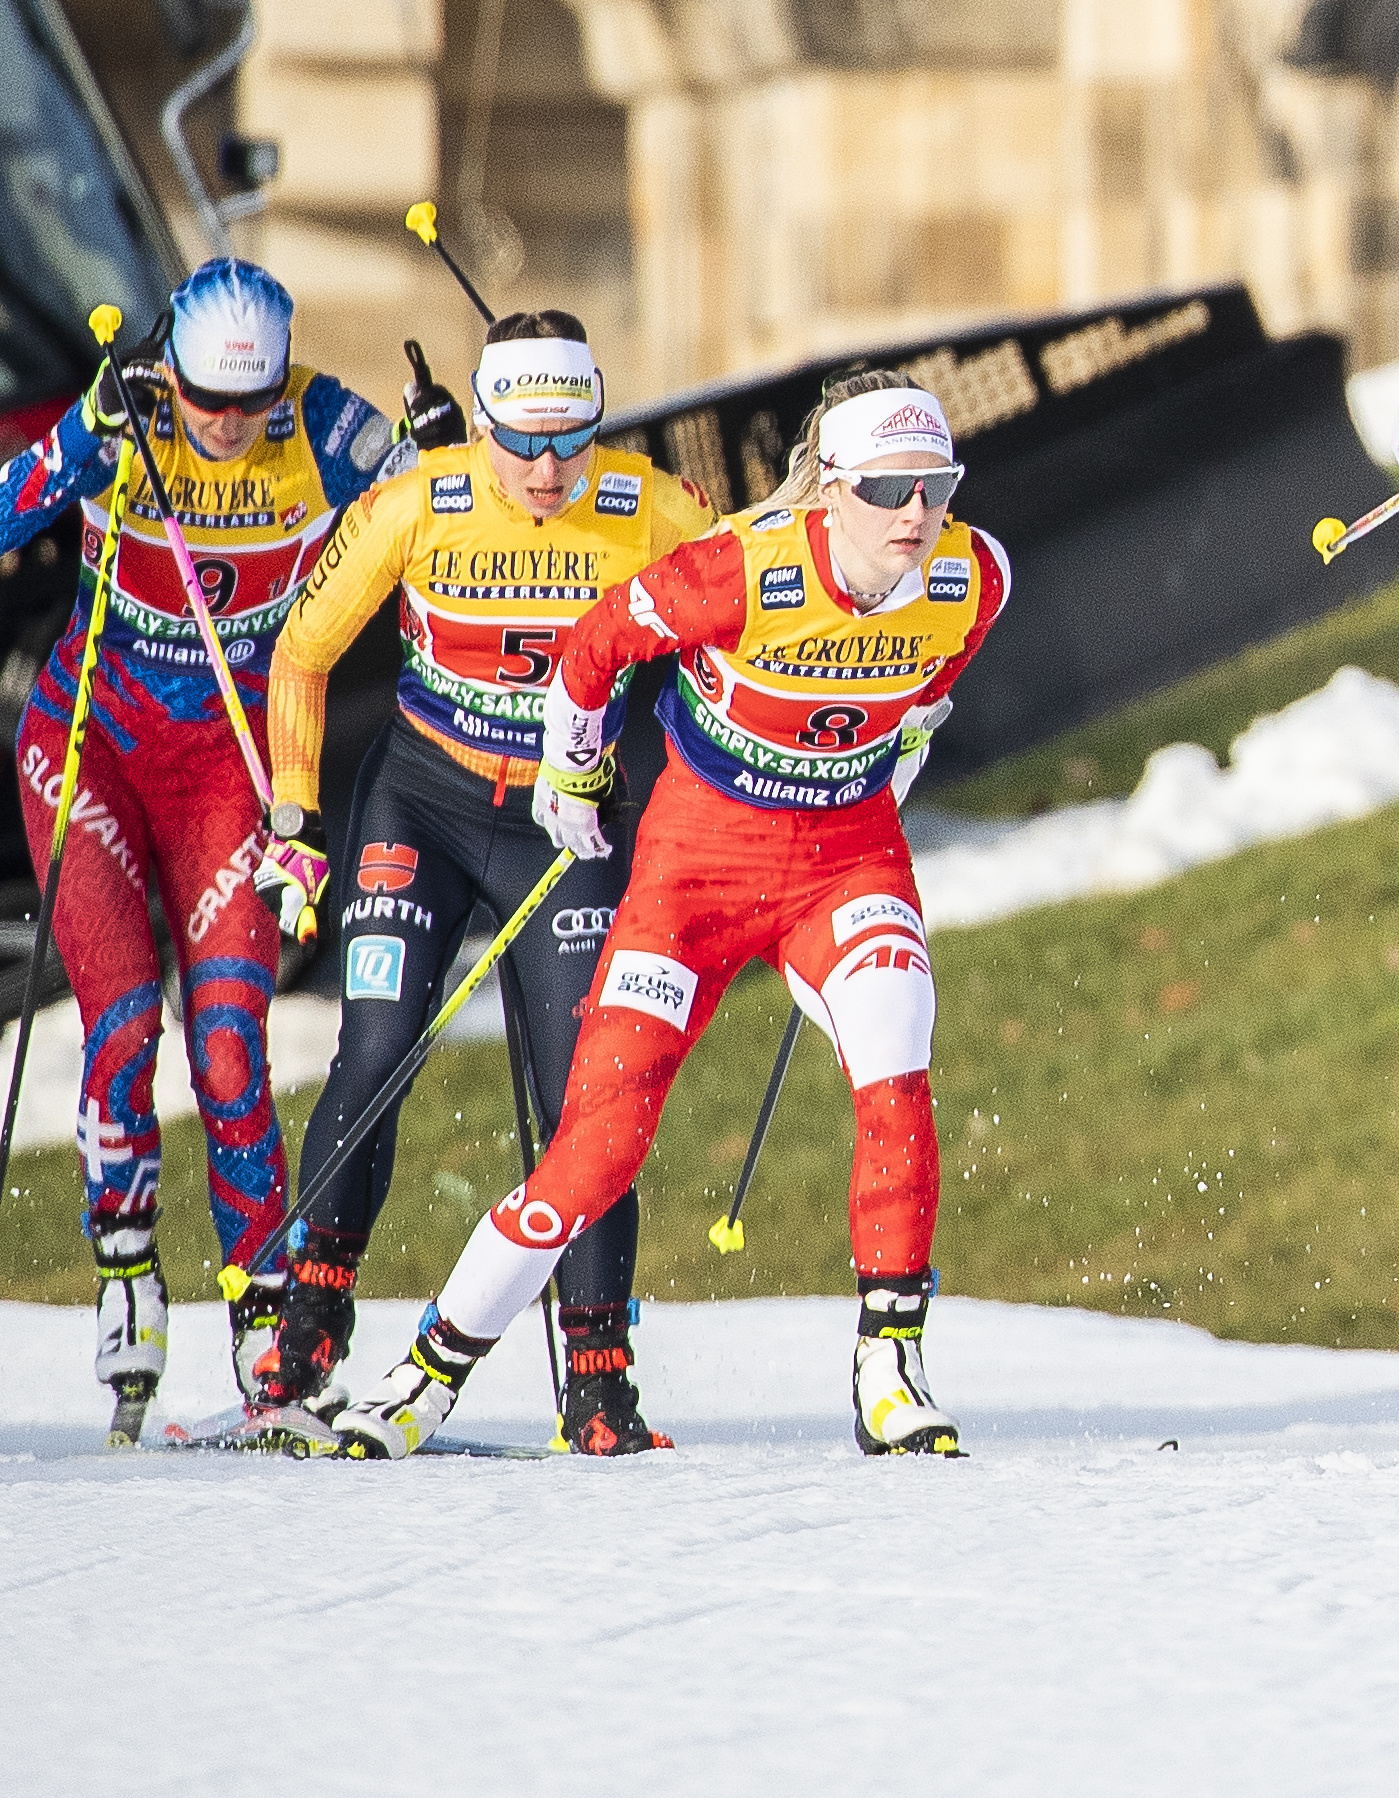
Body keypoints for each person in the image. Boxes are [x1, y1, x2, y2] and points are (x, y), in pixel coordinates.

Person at [330, 373, 1009, 1459]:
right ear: (832, 487)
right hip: (694, 874)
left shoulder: (972, 574)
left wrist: (908, 736)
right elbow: (595, 645)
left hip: (845, 861)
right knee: (597, 1146)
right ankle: (427, 1373)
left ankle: (890, 1361)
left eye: (935, 485)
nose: (916, 514)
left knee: (897, 1063)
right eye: (888, 488)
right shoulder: (744, 569)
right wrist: (575, 767)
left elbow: (942, 669)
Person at [251, 313, 717, 1454]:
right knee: (375, 1045)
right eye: (521, 442)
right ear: (485, 418)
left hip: (565, 830)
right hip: (426, 801)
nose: (550, 469)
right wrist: (298, 815)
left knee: (587, 1097)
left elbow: (751, 623)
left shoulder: (651, 507)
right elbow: (303, 650)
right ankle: (309, 1320)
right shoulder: (424, 501)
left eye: (573, 439)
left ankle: (599, 1373)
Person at [0, 260, 403, 1435]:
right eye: (203, 400)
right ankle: (127, 1269)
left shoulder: (326, 424)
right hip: (95, 749)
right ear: (169, 368)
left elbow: (449, 511)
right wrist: (82, 438)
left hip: (232, 763)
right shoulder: (124, 411)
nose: (225, 427)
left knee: (229, 1045)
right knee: (123, 1023)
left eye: (250, 401)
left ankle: (262, 1316)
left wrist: (441, 445)